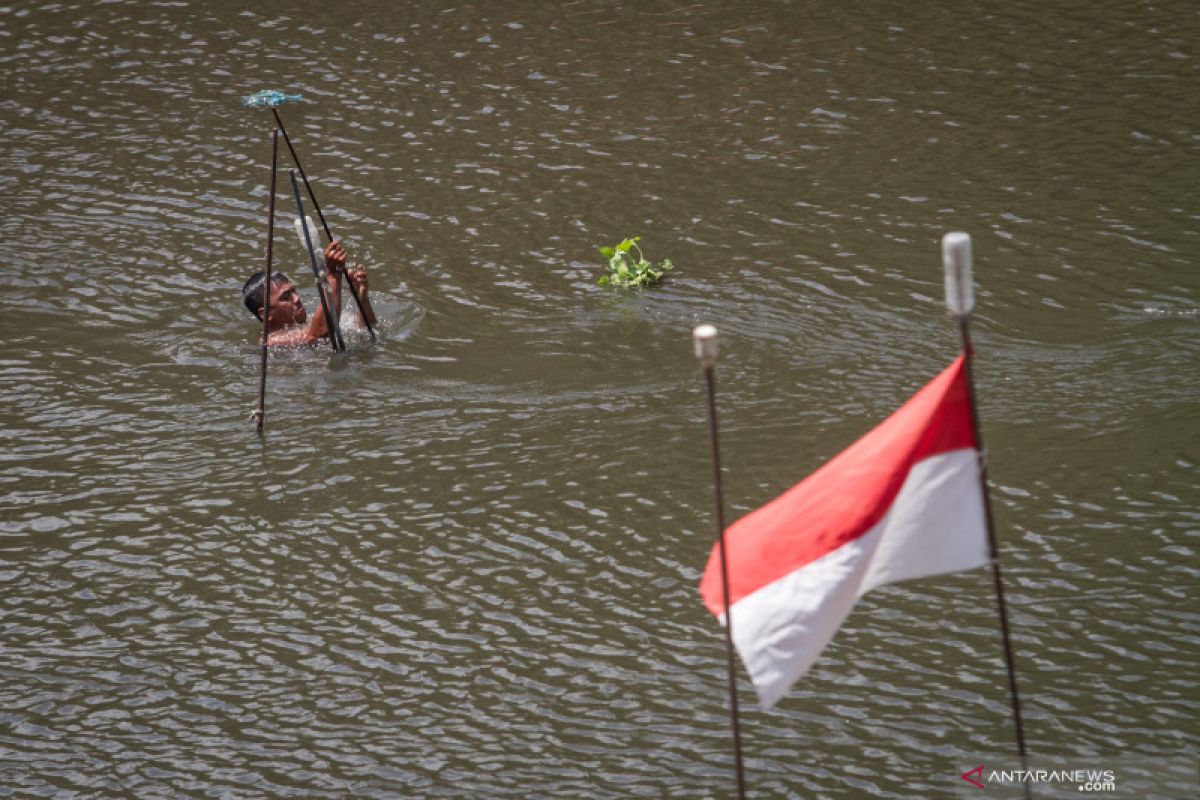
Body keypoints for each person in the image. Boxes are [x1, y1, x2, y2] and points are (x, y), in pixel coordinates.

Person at [242, 239, 376, 347]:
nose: (297, 298)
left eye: (293, 291)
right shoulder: (272, 342)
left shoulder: (304, 324)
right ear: (265, 314)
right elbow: (319, 334)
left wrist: (361, 299)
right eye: (286, 297)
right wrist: (333, 275)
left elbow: (366, 333)